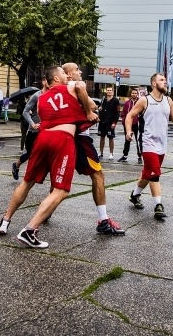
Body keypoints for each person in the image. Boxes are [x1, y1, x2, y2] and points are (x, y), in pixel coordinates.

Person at [0, 65, 97, 248]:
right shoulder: (71, 86)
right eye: (63, 74)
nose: (67, 76)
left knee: (27, 182)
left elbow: (49, 115)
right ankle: (30, 229)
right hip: (62, 139)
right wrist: (88, 112)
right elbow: (81, 87)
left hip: (43, 137)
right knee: (61, 189)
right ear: (56, 79)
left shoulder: (42, 99)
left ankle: (5, 221)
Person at [63, 62, 124, 235]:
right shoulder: (75, 85)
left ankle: (41, 215)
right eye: (76, 69)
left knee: (58, 182)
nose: (80, 71)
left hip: (66, 136)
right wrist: (90, 111)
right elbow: (92, 106)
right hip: (80, 138)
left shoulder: (60, 90)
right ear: (67, 74)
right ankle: (103, 220)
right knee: (98, 175)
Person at [125, 73, 173, 221]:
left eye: (165, 80)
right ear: (153, 83)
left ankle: (134, 195)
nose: (165, 82)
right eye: (161, 80)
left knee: (148, 173)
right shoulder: (144, 100)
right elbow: (129, 116)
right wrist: (128, 131)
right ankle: (158, 206)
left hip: (162, 144)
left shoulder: (168, 100)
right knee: (155, 174)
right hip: (147, 143)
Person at [11, 76, 48, 180]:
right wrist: (32, 124)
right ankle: (17, 165)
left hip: (46, 130)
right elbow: (25, 112)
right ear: (44, 82)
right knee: (31, 154)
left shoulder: (53, 95)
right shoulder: (37, 95)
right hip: (34, 131)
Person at [118, 89, 143, 163]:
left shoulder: (140, 103)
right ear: (131, 94)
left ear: (137, 94)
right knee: (127, 140)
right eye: (133, 93)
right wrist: (124, 121)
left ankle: (139, 156)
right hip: (128, 124)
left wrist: (140, 121)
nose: (134, 94)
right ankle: (125, 155)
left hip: (137, 124)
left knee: (138, 141)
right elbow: (123, 113)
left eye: (135, 93)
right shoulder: (127, 103)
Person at [97, 86, 120, 160]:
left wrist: (114, 123)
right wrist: (99, 108)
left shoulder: (116, 100)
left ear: (112, 92)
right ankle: (101, 152)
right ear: (106, 91)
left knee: (111, 138)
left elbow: (117, 113)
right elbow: (100, 108)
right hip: (102, 122)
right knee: (102, 137)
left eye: (110, 90)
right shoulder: (103, 99)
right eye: (108, 90)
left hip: (110, 122)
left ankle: (111, 153)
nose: (109, 91)